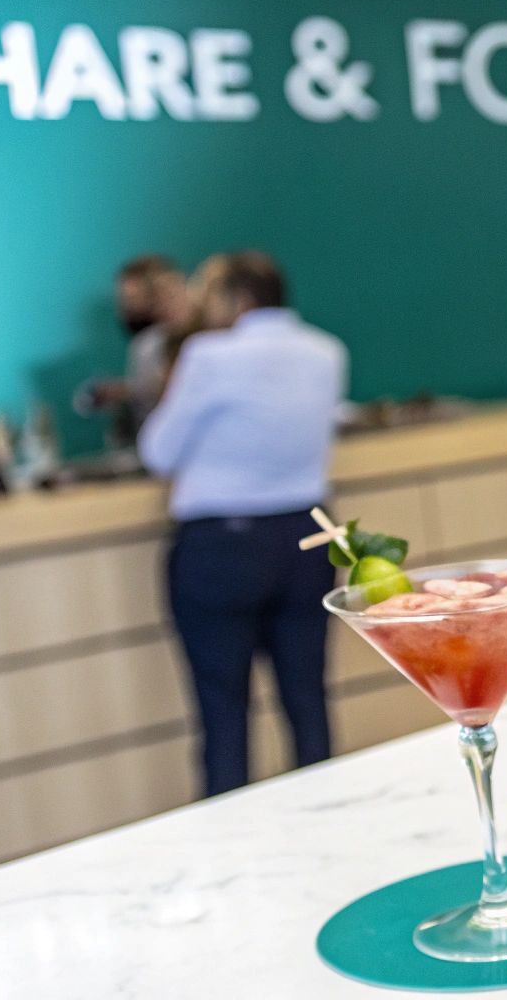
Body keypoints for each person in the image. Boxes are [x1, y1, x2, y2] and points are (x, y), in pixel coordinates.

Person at [139, 251, 348, 796]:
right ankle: (331, 824)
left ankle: (235, 852)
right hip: (310, 537)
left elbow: (159, 451)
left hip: (222, 547)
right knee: (307, 701)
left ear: (237, 299)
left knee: (224, 713)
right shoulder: (327, 351)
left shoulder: (209, 356)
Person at [79, 256, 188, 445]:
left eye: (134, 298)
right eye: (124, 299)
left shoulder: (208, 341)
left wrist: (130, 391)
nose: (128, 308)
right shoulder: (146, 345)